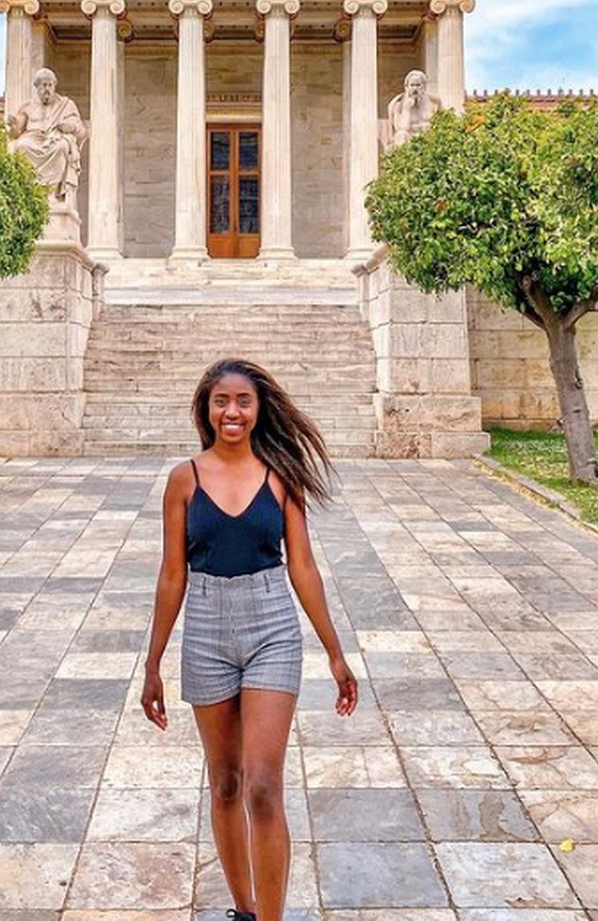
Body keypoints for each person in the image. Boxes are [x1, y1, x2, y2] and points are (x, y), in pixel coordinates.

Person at [141, 359, 357, 921]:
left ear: (258, 409)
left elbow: (303, 567)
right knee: (228, 783)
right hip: (207, 629)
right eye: (221, 401)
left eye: (242, 401)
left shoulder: (281, 474)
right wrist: (153, 663)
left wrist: (336, 652)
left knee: (263, 784)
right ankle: (242, 908)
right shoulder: (184, 479)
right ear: (206, 409)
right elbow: (171, 574)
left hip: (271, 627)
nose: (232, 411)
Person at [8, 67, 87, 200]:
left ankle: (51, 193)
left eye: (50, 85)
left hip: (54, 139)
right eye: (44, 85)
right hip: (32, 139)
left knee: (62, 146)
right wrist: (13, 125)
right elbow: (16, 133)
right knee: (20, 146)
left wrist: (71, 127)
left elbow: (82, 131)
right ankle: (28, 192)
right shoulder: (27, 106)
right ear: (37, 87)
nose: (47, 89)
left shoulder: (66, 104)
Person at [387, 68, 441, 148]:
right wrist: (407, 109)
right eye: (412, 85)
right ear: (406, 87)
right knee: (401, 135)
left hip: (429, 139)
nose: (415, 89)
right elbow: (402, 128)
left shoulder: (434, 102)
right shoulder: (398, 104)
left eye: (418, 85)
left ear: (424, 86)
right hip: (409, 139)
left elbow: (442, 123)